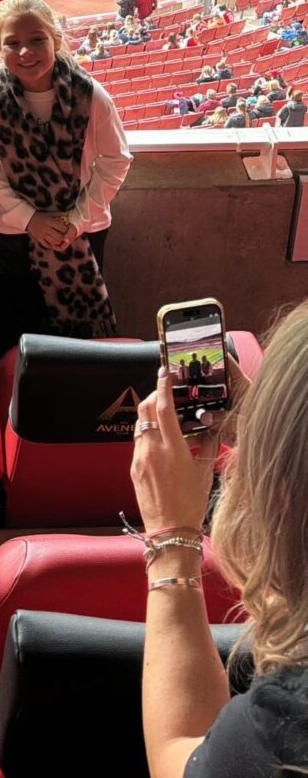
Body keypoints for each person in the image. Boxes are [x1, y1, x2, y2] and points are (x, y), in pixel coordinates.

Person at [130, 302, 308, 778]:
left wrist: (171, 541)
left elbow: (177, 757)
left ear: (283, 500)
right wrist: (273, 429)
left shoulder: (288, 724)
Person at [0, 0, 131, 354]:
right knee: (17, 326)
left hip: (81, 231)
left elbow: (115, 161)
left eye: (36, 40)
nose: (25, 52)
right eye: (12, 43)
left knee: (78, 342)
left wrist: (75, 221)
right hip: (16, 233)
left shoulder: (92, 95)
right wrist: (31, 220)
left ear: (56, 41)